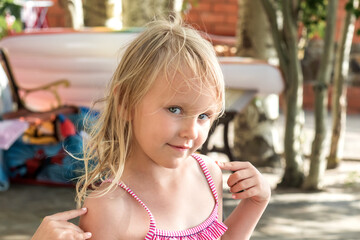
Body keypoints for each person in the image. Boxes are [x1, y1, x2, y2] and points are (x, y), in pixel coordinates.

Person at [33, 16, 271, 239]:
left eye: (203, 115)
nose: (191, 131)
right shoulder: (111, 208)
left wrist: (256, 202)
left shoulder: (209, 175)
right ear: (126, 103)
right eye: (175, 109)